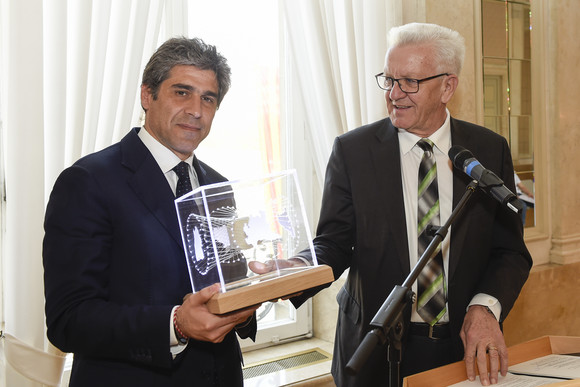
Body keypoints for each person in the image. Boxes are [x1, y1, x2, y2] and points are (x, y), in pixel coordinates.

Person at [255, 23, 532, 386]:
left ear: (448, 86)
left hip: (459, 348)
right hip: (373, 349)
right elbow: (334, 243)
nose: (394, 94)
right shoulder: (353, 152)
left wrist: (484, 307)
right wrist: (299, 267)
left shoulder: (488, 150)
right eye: (389, 80)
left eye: (409, 82)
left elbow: (510, 251)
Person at [43, 37, 259, 387]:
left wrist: (250, 298)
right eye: (181, 92)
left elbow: (221, 289)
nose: (195, 110)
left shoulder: (218, 186)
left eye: (208, 98)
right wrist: (174, 325)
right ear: (147, 95)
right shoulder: (87, 182)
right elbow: (68, 320)